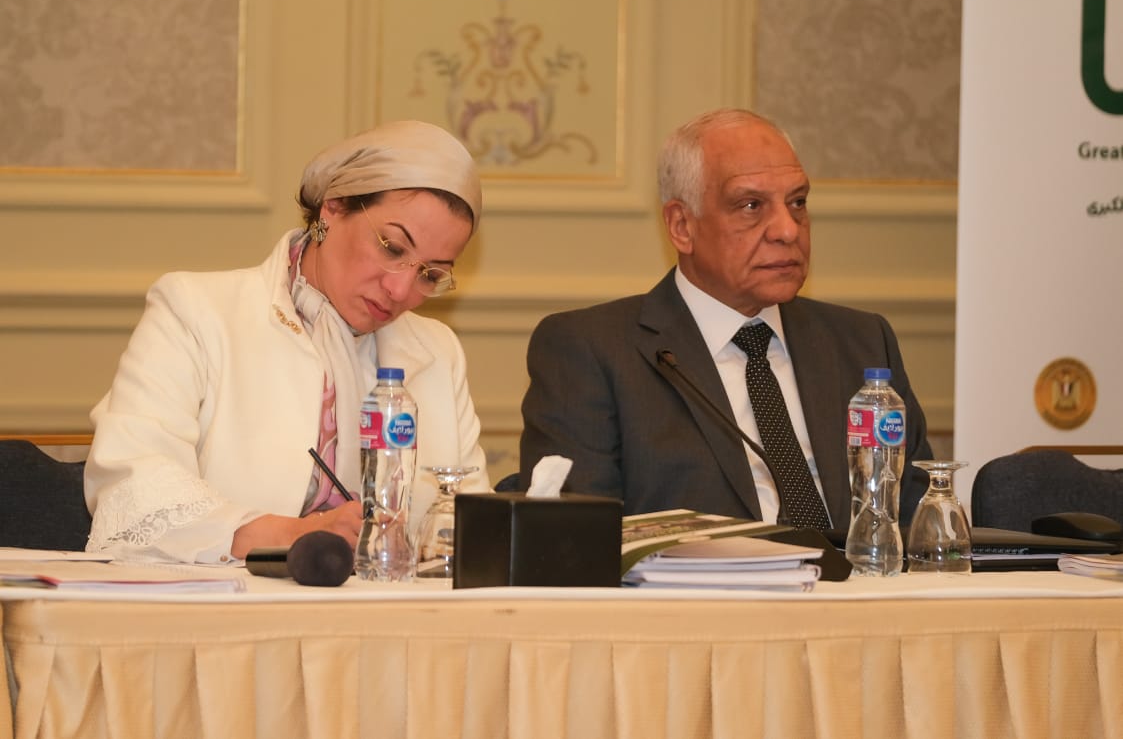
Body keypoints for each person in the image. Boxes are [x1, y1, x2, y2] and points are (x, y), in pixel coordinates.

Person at [84, 120, 490, 563]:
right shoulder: (196, 312)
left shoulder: (439, 352)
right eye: (392, 248)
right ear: (333, 208)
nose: (400, 290)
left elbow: (472, 526)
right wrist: (293, 534)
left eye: (430, 274)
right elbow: (133, 486)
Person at [518, 108, 932, 529]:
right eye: (751, 205)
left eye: (797, 203)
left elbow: (916, 522)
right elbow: (577, 539)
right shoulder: (591, 351)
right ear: (682, 226)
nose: (788, 230)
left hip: (852, 573)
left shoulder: (862, 341)